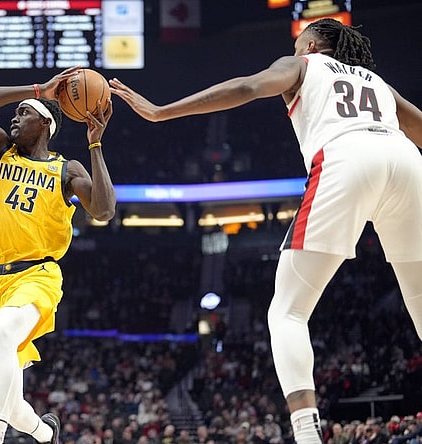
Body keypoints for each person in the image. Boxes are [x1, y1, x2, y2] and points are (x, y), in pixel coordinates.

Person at [109, 17, 422, 444]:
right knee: (420, 299)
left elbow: (248, 87)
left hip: (348, 156)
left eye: (300, 42)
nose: (295, 49)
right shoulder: (378, 83)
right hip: (405, 160)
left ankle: (307, 433)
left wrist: (163, 112)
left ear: (312, 45)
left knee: (287, 312)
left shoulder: (304, 66)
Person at [0, 67, 117, 444]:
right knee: (9, 394)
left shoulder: (67, 170)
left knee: (3, 336)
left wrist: (95, 144)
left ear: (45, 122)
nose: (14, 117)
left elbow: (105, 210)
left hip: (37, 276)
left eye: (24, 112)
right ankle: (46, 434)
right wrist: (33, 90)